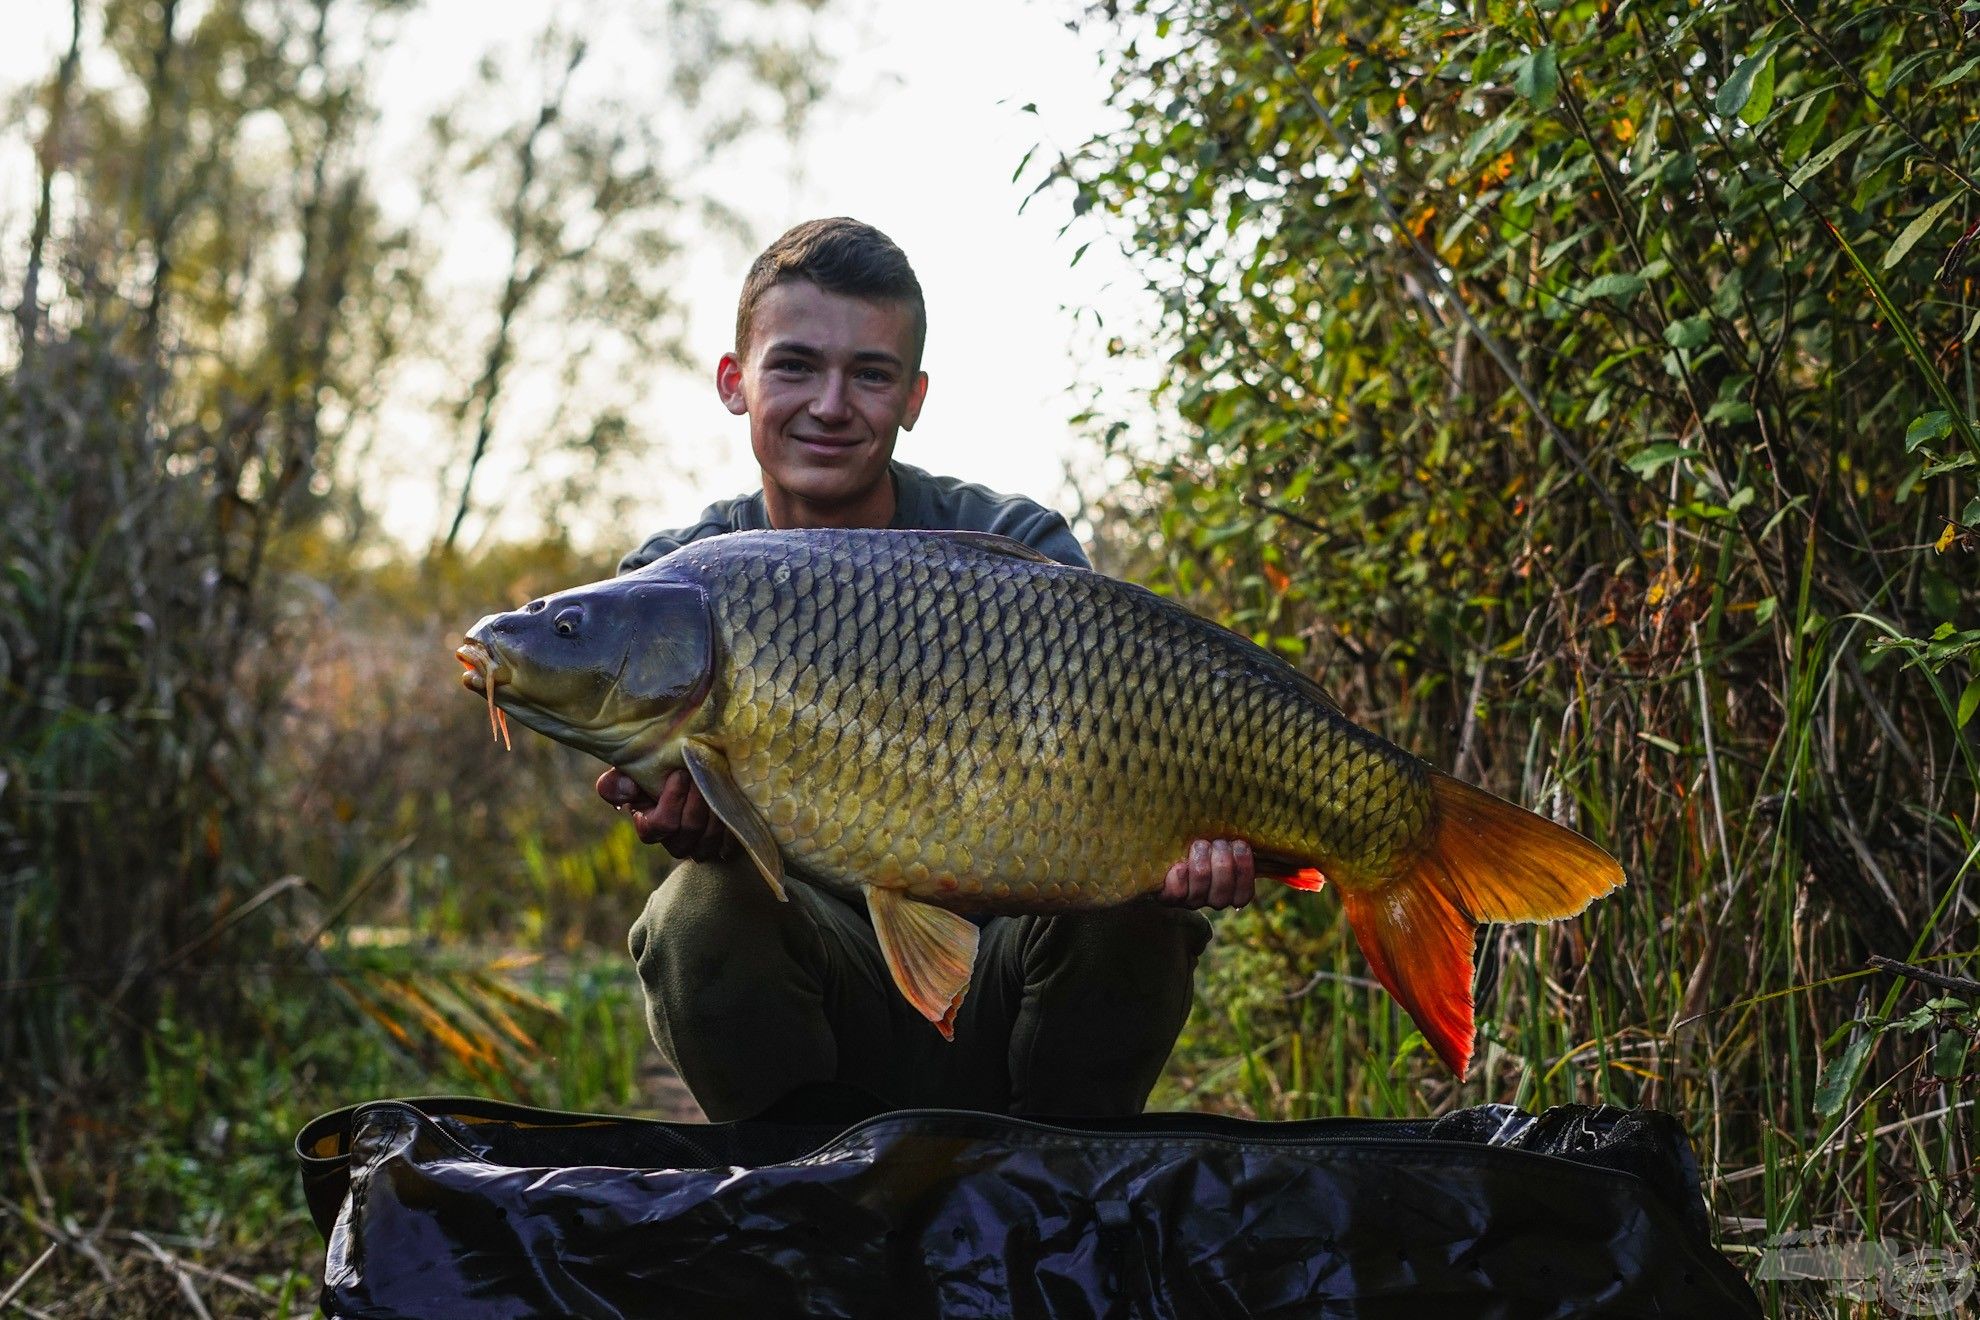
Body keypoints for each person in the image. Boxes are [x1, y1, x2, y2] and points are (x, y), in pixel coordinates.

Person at [597, 217, 1257, 1121]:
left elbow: (1124, 748)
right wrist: (696, 817)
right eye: (794, 366)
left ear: (913, 396)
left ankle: (1056, 1196)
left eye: (870, 374)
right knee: (697, 911)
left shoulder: (1019, 550)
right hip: (823, 995)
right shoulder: (672, 586)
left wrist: (1192, 841)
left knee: (1135, 905)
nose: (831, 404)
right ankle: (805, 1204)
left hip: (1020, 985)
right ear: (734, 382)